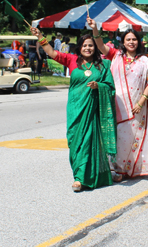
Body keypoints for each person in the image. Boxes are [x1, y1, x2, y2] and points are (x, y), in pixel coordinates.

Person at [30, 27, 116, 192]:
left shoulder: (103, 65)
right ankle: (79, 172)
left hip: (92, 110)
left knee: (88, 141)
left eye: (90, 45)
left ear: (95, 47)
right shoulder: (72, 60)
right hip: (75, 108)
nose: (88, 48)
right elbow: (52, 53)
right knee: (74, 141)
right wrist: (40, 37)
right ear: (80, 47)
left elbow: (110, 87)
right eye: (84, 45)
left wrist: (99, 86)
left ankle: (79, 178)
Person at [88, 17, 148, 181]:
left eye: (134, 39)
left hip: (137, 107)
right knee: (119, 136)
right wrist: (95, 30)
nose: (132, 42)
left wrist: (142, 101)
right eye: (128, 39)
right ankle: (118, 170)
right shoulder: (115, 56)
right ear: (123, 41)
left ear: (139, 42)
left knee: (132, 136)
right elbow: (100, 45)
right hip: (117, 103)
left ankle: (132, 168)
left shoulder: (145, 61)